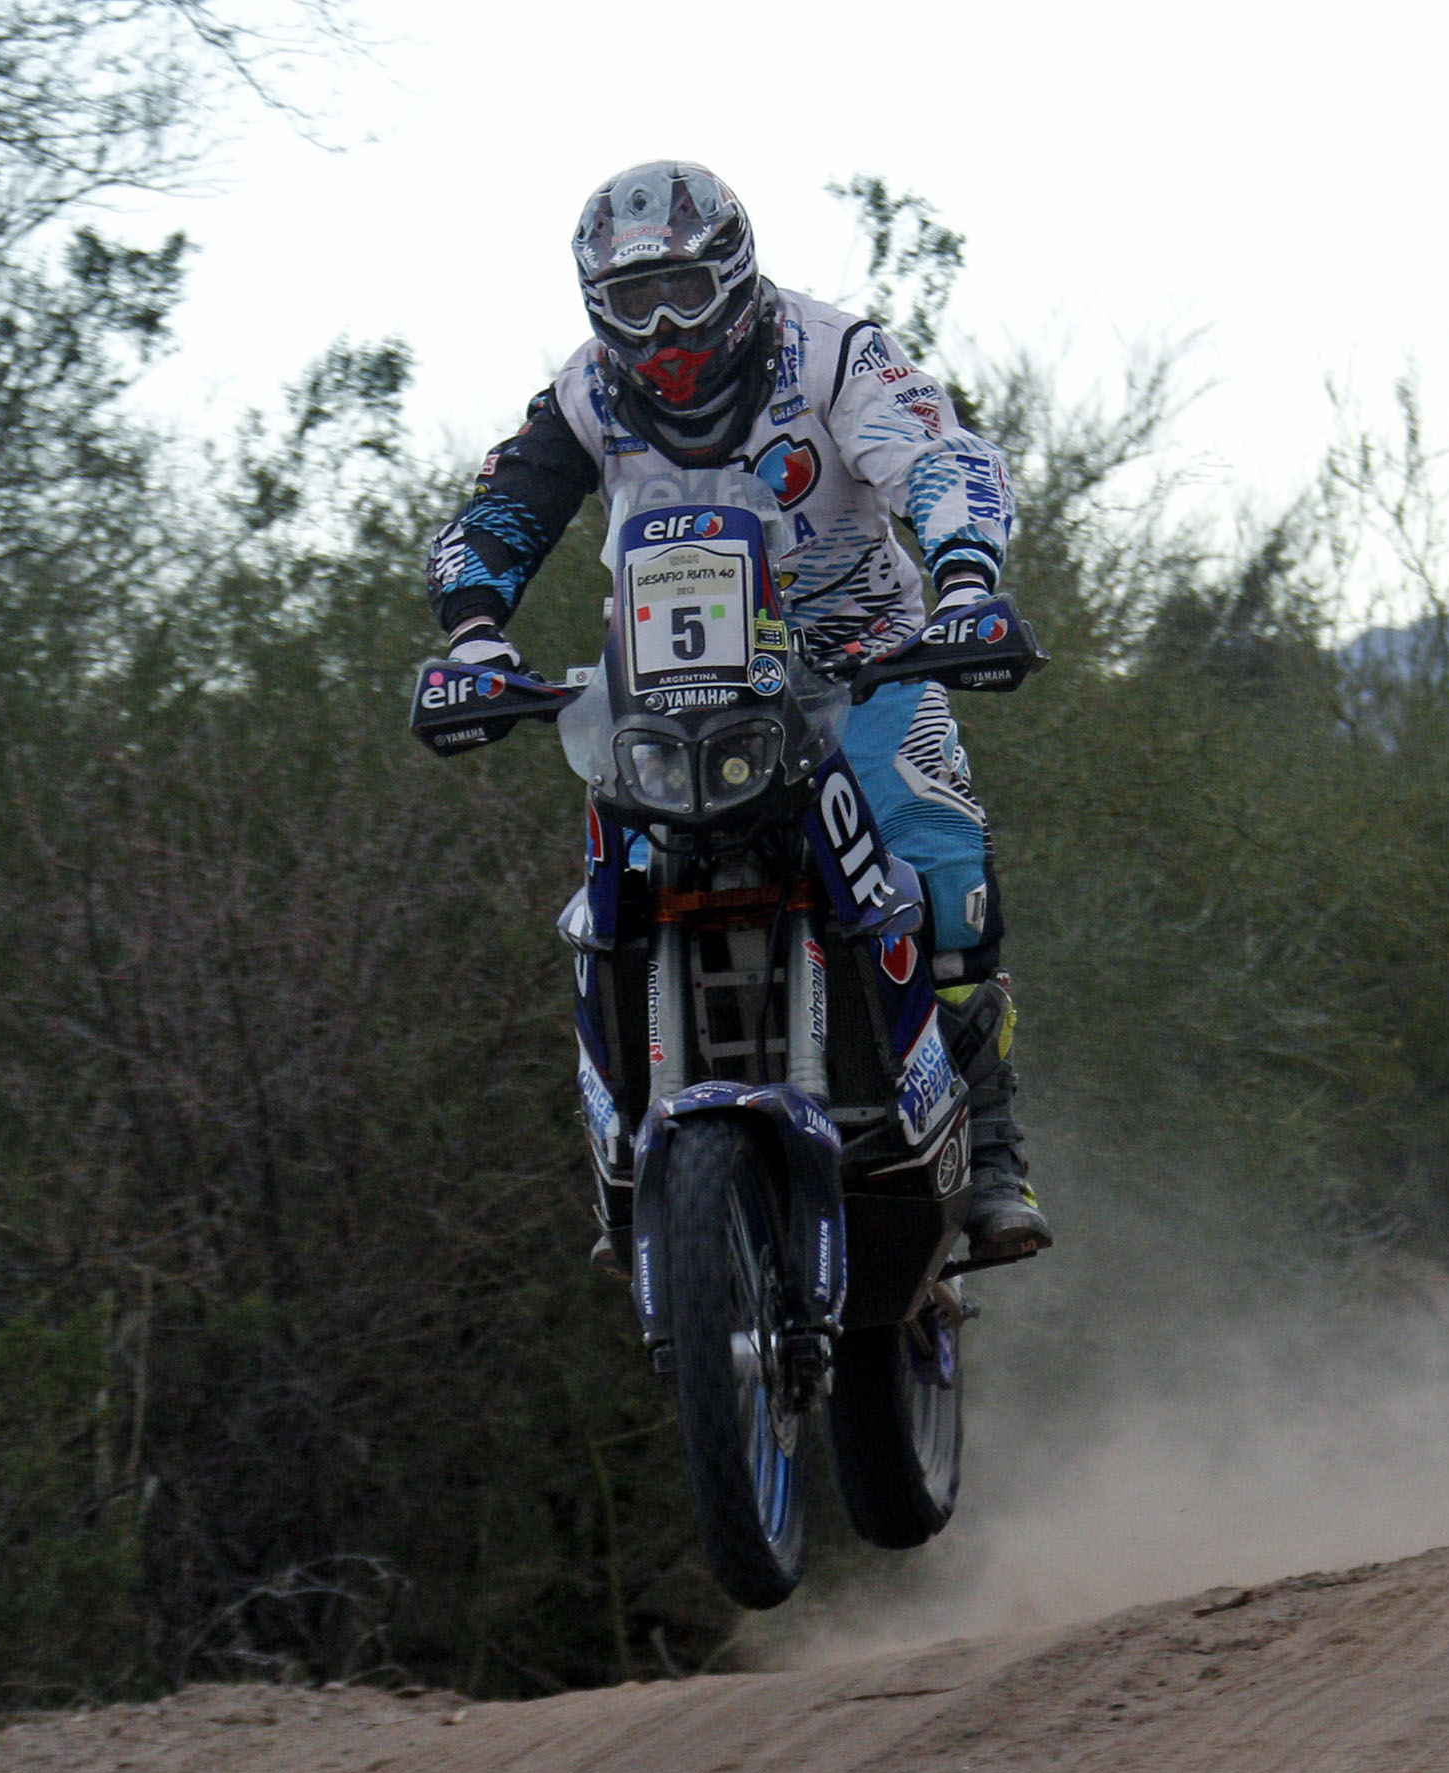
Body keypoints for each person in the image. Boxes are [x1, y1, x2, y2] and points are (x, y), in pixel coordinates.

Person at [423, 160, 1050, 1261]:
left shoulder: (834, 354)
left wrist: (963, 584)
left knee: (941, 864)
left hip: (859, 662)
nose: (662, 327)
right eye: (633, 301)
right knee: (608, 897)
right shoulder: (585, 396)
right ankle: (629, 1157)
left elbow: (940, 459)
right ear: (597, 307)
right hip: (666, 692)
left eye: (682, 292)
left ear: (736, 276)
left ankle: (992, 1142)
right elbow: (503, 509)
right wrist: (475, 637)